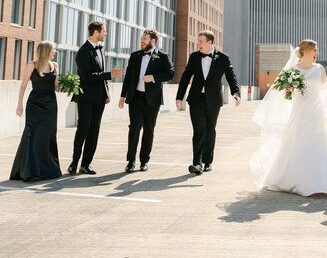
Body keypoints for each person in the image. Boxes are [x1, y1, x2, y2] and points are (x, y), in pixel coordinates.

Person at [251, 40, 327, 196]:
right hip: (299, 112)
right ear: (306, 51)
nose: (317, 53)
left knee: (318, 144)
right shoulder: (293, 70)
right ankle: (292, 179)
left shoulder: (319, 69)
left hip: (316, 112)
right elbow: (286, 95)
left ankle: (321, 182)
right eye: (315, 50)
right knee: (297, 143)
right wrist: (289, 88)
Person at [175, 31, 241, 175]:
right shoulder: (194, 57)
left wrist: (235, 93)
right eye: (198, 41)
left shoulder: (222, 58)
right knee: (198, 130)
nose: (198, 44)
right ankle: (197, 163)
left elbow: (231, 75)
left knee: (210, 130)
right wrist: (179, 96)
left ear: (210, 42)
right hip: (196, 98)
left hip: (213, 100)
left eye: (201, 41)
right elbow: (186, 77)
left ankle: (208, 162)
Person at [68, 21, 123, 175]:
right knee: (83, 129)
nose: (106, 33)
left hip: (99, 98)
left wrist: (106, 94)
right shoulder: (83, 51)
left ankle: (86, 164)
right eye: (104, 31)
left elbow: (101, 76)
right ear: (96, 32)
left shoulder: (100, 50)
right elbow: (87, 77)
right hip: (85, 97)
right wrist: (110, 74)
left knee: (94, 130)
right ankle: (74, 163)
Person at [119, 28, 174, 172]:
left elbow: (170, 74)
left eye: (145, 39)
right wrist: (122, 96)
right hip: (136, 97)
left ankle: (144, 161)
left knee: (149, 130)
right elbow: (129, 77)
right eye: (141, 38)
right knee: (134, 128)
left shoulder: (162, 56)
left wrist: (154, 78)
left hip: (152, 99)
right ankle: (130, 162)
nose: (142, 41)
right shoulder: (135, 56)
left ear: (153, 41)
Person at [10, 41, 62, 181]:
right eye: (53, 49)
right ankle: (29, 171)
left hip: (50, 104)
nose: (55, 52)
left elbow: (57, 87)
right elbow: (23, 86)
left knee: (49, 134)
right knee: (32, 134)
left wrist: (65, 84)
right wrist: (19, 105)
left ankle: (48, 170)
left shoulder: (55, 66)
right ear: (46, 51)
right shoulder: (31, 65)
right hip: (34, 104)